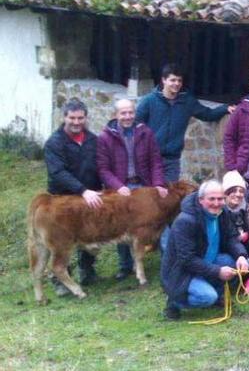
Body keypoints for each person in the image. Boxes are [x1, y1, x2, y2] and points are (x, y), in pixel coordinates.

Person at [96, 98, 167, 281]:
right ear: (115, 115)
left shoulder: (145, 133)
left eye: (130, 112)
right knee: (121, 227)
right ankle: (125, 266)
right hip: (120, 189)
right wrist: (118, 187)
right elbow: (103, 169)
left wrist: (158, 184)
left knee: (146, 225)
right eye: (123, 113)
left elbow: (155, 161)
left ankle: (146, 261)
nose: (127, 116)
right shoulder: (105, 137)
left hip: (143, 186)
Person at [160, 180, 249, 320]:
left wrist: (241, 256)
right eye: (211, 199)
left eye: (220, 199)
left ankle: (217, 295)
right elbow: (187, 260)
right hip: (183, 272)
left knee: (241, 262)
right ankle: (174, 302)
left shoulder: (223, 213)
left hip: (207, 261)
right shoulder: (185, 221)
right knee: (207, 297)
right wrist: (217, 271)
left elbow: (232, 238)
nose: (216, 203)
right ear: (201, 200)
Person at [136, 63, 232, 181]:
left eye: (179, 81)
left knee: (169, 196)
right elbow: (136, 127)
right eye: (173, 80)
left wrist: (225, 108)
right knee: (148, 195)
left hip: (172, 159)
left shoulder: (187, 102)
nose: (176, 84)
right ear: (164, 80)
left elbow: (207, 114)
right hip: (149, 157)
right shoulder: (149, 101)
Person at [44, 99, 102, 291]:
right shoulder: (54, 143)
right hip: (62, 200)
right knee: (62, 240)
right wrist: (82, 190)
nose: (77, 122)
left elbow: (100, 166)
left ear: (85, 118)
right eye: (72, 118)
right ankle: (60, 280)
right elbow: (58, 173)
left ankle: (88, 271)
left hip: (89, 197)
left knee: (90, 234)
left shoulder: (93, 140)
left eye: (80, 118)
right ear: (64, 117)